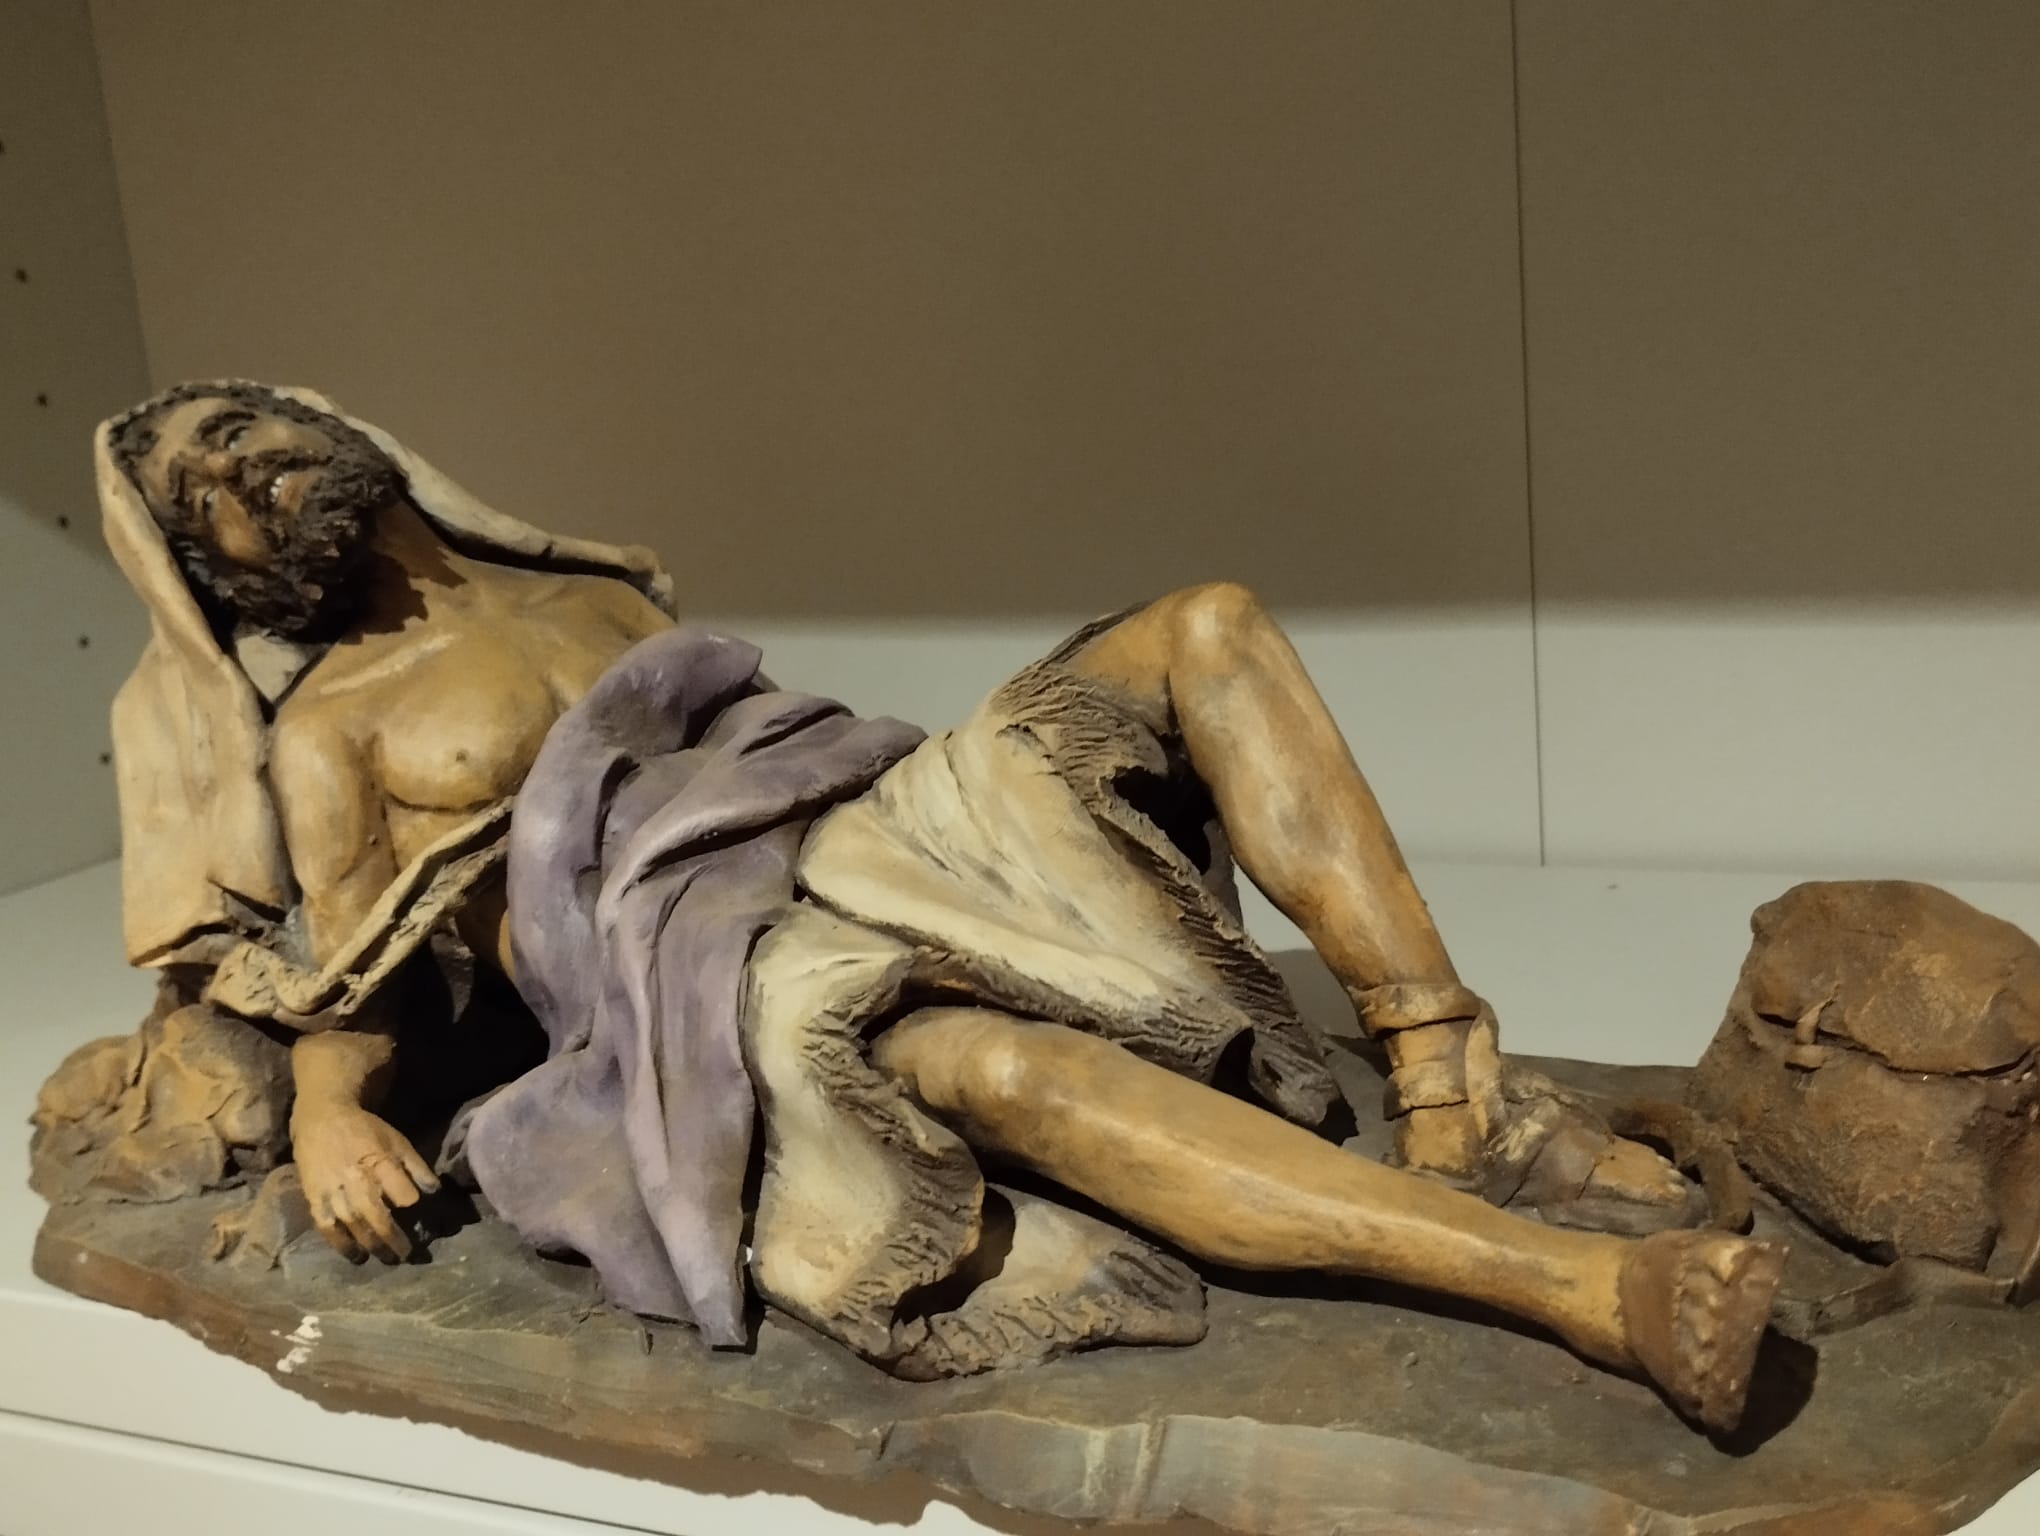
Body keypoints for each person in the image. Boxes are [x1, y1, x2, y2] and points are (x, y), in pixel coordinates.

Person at [90, 380, 1784, 1432]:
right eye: (200, 503)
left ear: (322, 419)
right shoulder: (331, 729)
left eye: (237, 438)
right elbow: (362, 965)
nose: (241, 485)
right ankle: (1584, 1292)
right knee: (1007, 1074)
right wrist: (326, 1108)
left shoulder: (577, 582)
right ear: (212, 577)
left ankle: (1443, 1081)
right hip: (711, 965)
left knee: (1202, 626)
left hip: (870, 815)